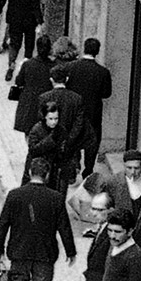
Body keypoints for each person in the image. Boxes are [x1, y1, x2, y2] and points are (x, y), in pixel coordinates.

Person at [0, 154, 77, 281]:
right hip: (45, 252)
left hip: (19, 249)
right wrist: (71, 251)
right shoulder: (56, 197)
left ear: (30, 172)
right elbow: (64, 227)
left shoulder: (15, 195)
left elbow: (3, 223)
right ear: (47, 175)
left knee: (18, 280)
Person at [54, 36, 111, 180]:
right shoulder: (103, 72)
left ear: (84, 49)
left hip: (74, 110)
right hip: (93, 112)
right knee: (92, 141)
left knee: (74, 136)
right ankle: (88, 168)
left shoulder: (71, 67)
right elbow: (106, 93)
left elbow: (57, 73)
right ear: (97, 51)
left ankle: (76, 164)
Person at [0, 0, 44, 80]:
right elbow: (35, 7)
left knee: (14, 44)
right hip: (29, 22)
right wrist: (40, 22)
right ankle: (25, 71)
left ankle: (11, 65)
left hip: (14, 20)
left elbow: (2, 0)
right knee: (29, 46)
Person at [11, 31, 55, 138]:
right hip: (47, 103)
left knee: (30, 131)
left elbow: (19, 81)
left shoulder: (28, 64)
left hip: (29, 102)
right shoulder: (54, 66)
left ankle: (32, 150)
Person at [115, 149, 141, 251]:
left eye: (136, 168)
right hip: (122, 232)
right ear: (124, 165)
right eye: (129, 168)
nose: (133, 172)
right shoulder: (114, 182)